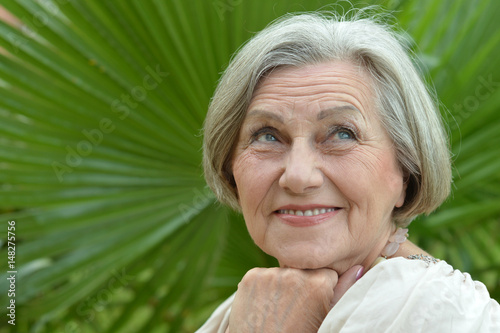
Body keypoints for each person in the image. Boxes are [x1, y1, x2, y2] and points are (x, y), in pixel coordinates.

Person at [198, 11, 500, 332]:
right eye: (267, 136)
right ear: (230, 167)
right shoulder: (247, 307)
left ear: (406, 171)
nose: (298, 177)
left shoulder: (443, 314)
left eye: (342, 133)